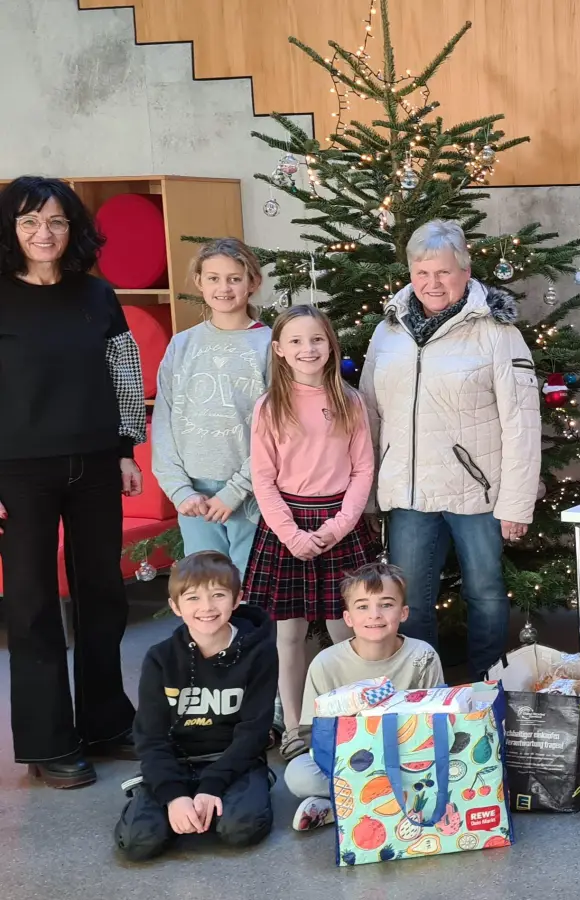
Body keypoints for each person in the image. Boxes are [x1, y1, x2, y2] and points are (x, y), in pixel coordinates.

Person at [0, 176, 146, 788]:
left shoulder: (97, 293)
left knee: (102, 596)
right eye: (31, 221)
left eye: (57, 222)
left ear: (74, 230)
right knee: (32, 603)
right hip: (18, 471)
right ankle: (47, 741)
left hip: (93, 463)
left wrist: (125, 447)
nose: (44, 234)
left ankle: (108, 724)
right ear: (11, 230)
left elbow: (124, 369)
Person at [361, 219, 542, 679]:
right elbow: (367, 413)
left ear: (464, 270)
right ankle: (424, 688)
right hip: (409, 493)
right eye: (422, 273)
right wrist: (367, 493)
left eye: (443, 272)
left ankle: (486, 688)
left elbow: (522, 422)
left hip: (476, 492)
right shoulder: (389, 330)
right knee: (411, 601)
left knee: (484, 591)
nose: (432, 284)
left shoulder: (497, 332)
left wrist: (517, 503)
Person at [243, 305, 379, 761]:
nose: (308, 349)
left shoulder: (350, 400)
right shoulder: (269, 406)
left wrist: (338, 527)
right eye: (297, 341)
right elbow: (262, 478)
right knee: (289, 636)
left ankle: (351, 718)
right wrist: (291, 535)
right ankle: (299, 724)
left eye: (317, 340)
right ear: (279, 350)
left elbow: (362, 470)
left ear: (330, 345)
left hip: (340, 525)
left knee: (347, 631)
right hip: (286, 527)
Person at [114, 551, 277, 861]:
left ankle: (229, 797)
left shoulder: (260, 652)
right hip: (176, 761)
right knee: (137, 842)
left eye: (218, 595)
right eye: (192, 598)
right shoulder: (160, 658)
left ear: (237, 598)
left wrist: (213, 784)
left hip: (233, 759)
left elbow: (254, 730)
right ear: (176, 606)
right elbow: (150, 735)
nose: (206, 608)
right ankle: (176, 805)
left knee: (241, 829)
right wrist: (173, 795)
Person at [285, 562, 444, 831]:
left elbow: (438, 718)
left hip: (408, 756)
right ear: (348, 618)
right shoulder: (326, 663)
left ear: (403, 612)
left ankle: (340, 807)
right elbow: (312, 731)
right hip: (349, 760)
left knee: (443, 765)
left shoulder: (422, 656)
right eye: (362, 606)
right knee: (298, 775)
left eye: (386, 604)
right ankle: (393, 801)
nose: (375, 615)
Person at [151, 238, 273, 577]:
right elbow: (164, 421)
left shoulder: (269, 344)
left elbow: (278, 431)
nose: (224, 287)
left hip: (252, 493)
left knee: (251, 595)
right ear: (199, 282)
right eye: (214, 278)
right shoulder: (183, 344)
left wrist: (235, 492)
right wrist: (179, 490)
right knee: (207, 589)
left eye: (234, 278)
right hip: (194, 496)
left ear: (253, 283)